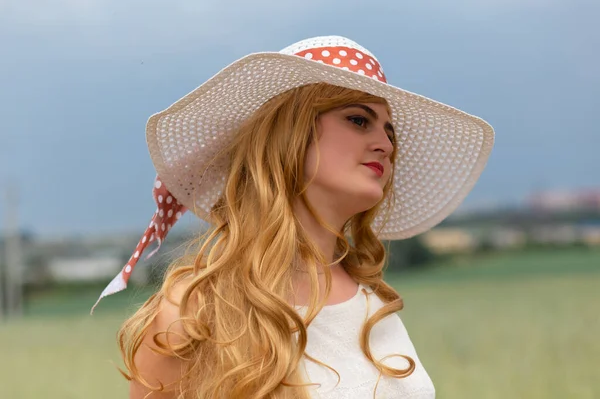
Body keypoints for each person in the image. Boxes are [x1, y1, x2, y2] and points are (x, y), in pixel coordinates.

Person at [94, 36, 494, 398]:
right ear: (290, 132)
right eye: (358, 119)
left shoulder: (372, 302)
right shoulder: (195, 314)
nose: (385, 144)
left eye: (390, 132)